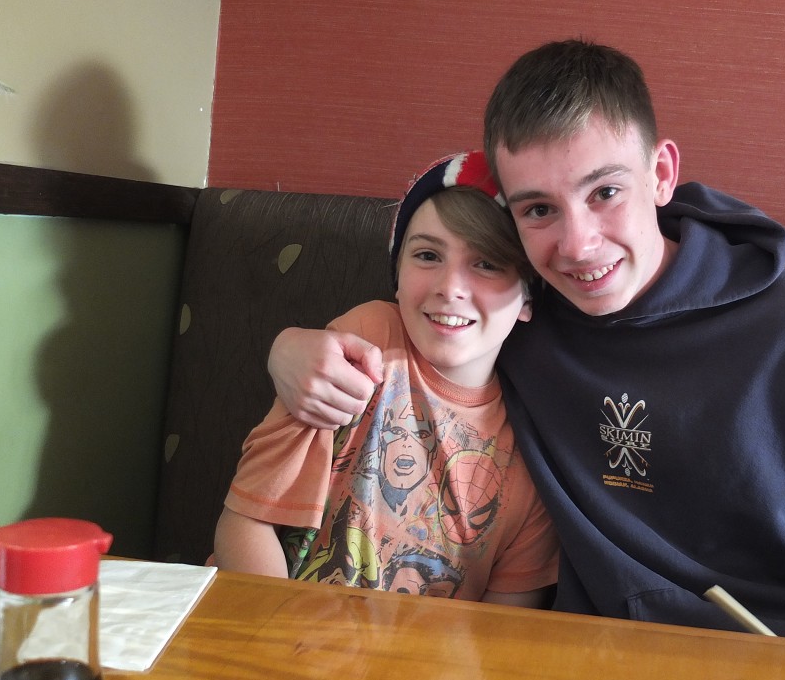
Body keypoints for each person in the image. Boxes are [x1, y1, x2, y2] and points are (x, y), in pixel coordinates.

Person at [267, 40, 785, 652]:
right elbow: (415, 318)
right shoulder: (515, 318)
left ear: (661, 173)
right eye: (539, 210)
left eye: (604, 192)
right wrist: (289, 349)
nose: (578, 245)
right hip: (591, 676)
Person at [214, 151, 559, 608]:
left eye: (488, 263)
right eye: (428, 255)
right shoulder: (364, 344)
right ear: (397, 276)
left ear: (528, 298)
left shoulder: (534, 455)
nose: (450, 287)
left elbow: (503, 627)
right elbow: (245, 524)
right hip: (261, 620)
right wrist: (277, 638)